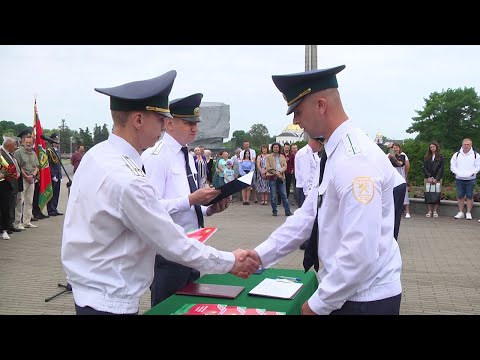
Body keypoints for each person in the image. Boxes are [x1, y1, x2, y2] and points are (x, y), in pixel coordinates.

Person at [61, 71, 259, 315]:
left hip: (91, 293)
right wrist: (230, 261)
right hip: (110, 300)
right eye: (160, 118)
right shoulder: (127, 178)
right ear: (138, 120)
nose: (164, 126)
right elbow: (170, 240)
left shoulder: (97, 155)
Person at [245, 65, 402, 315]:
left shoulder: (355, 160)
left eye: (297, 111)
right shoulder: (335, 151)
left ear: (321, 105)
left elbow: (359, 252)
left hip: (363, 300)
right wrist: (259, 255)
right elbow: (309, 216)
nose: (295, 121)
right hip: (347, 293)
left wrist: (318, 305)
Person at [141, 93, 229, 307]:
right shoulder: (156, 156)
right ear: (169, 124)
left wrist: (210, 210)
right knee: (167, 308)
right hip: (168, 254)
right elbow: (149, 209)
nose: (195, 128)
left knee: (190, 307)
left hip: (193, 246)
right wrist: (190, 199)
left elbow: (189, 204)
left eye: (196, 123)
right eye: (188, 123)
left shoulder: (187, 155)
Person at [450, 138, 480, 220]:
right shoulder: (456, 155)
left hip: (471, 179)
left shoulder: (476, 155)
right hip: (459, 179)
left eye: (468, 144)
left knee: (470, 196)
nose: (466, 146)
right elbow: (452, 165)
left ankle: (468, 213)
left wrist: (471, 173)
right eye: (465, 144)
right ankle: (460, 212)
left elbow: (478, 166)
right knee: (460, 196)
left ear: (471, 145)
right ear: (462, 145)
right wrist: (457, 173)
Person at [423, 141, 445, 218]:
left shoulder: (441, 156)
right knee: (428, 193)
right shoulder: (426, 156)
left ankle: (435, 211)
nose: (432, 148)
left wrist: (436, 178)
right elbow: (424, 168)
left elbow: (441, 168)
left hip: (437, 178)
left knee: (436, 194)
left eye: (433, 147)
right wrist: (429, 176)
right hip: (428, 178)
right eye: (431, 147)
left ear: (436, 147)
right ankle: (429, 211)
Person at [46, 133, 63, 216]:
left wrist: (60, 175)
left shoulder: (58, 151)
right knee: (51, 194)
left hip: (58, 175)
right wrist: (53, 175)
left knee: (57, 193)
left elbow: (59, 164)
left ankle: (55, 208)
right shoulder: (49, 151)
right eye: (55, 141)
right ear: (51, 142)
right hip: (52, 176)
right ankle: (51, 210)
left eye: (57, 141)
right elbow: (48, 164)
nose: (57, 142)